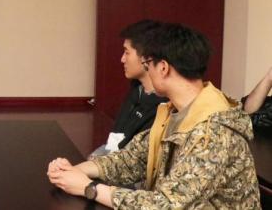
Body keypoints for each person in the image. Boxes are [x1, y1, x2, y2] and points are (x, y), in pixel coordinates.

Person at [47, 23, 260, 208]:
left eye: (148, 65)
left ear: (163, 68)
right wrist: (73, 171)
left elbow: (167, 205)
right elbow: (132, 160)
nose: (147, 71)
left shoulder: (214, 131)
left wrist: (89, 188)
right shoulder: (174, 112)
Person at [90, 20, 167, 158]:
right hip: (111, 157)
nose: (122, 59)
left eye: (127, 52)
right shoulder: (136, 91)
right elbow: (114, 141)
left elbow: (135, 160)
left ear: (146, 58)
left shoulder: (163, 106)